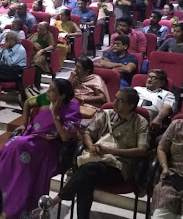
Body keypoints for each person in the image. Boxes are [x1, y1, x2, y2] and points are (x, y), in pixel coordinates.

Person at [37, 87, 148, 219]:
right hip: (96, 158)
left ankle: (55, 200)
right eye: (115, 98)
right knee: (86, 178)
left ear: (130, 105)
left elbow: (142, 150)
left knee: (87, 171)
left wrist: (110, 151)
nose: (115, 103)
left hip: (119, 166)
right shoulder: (106, 114)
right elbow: (88, 133)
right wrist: (91, 146)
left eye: (120, 100)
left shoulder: (140, 122)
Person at [0, 79, 82, 219]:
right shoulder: (46, 100)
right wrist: (24, 124)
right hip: (33, 138)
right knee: (15, 144)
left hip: (52, 147)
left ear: (62, 95)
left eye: (52, 90)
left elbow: (65, 138)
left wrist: (54, 114)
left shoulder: (72, 108)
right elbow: (27, 103)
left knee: (21, 145)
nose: (48, 92)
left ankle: (18, 207)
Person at [134, 69, 175, 134]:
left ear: (162, 83)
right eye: (148, 77)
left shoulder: (167, 94)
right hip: (131, 113)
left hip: (149, 119)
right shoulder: (137, 89)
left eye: (154, 78)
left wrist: (159, 118)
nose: (149, 80)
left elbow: (167, 107)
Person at [29, 22, 57, 88]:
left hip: (43, 54)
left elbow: (52, 46)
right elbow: (28, 42)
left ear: (46, 30)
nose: (38, 30)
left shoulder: (49, 35)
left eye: (41, 29)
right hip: (32, 53)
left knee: (37, 63)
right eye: (38, 28)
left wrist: (42, 50)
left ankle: (37, 85)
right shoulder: (35, 34)